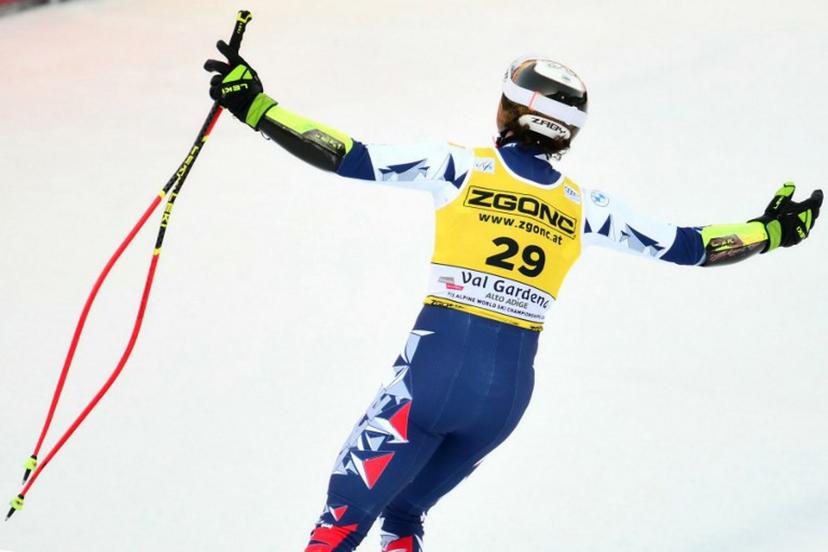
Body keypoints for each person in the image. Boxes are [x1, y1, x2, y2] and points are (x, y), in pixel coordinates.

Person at [204, 39, 822, 552]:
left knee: (340, 525)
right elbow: (690, 246)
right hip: (505, 400)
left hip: (432, 377)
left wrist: (253, 105)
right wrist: (770, 231)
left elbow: (346, 156)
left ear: (507, 112)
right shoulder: (584, 207)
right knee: (404, 524)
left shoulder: (458, 167)